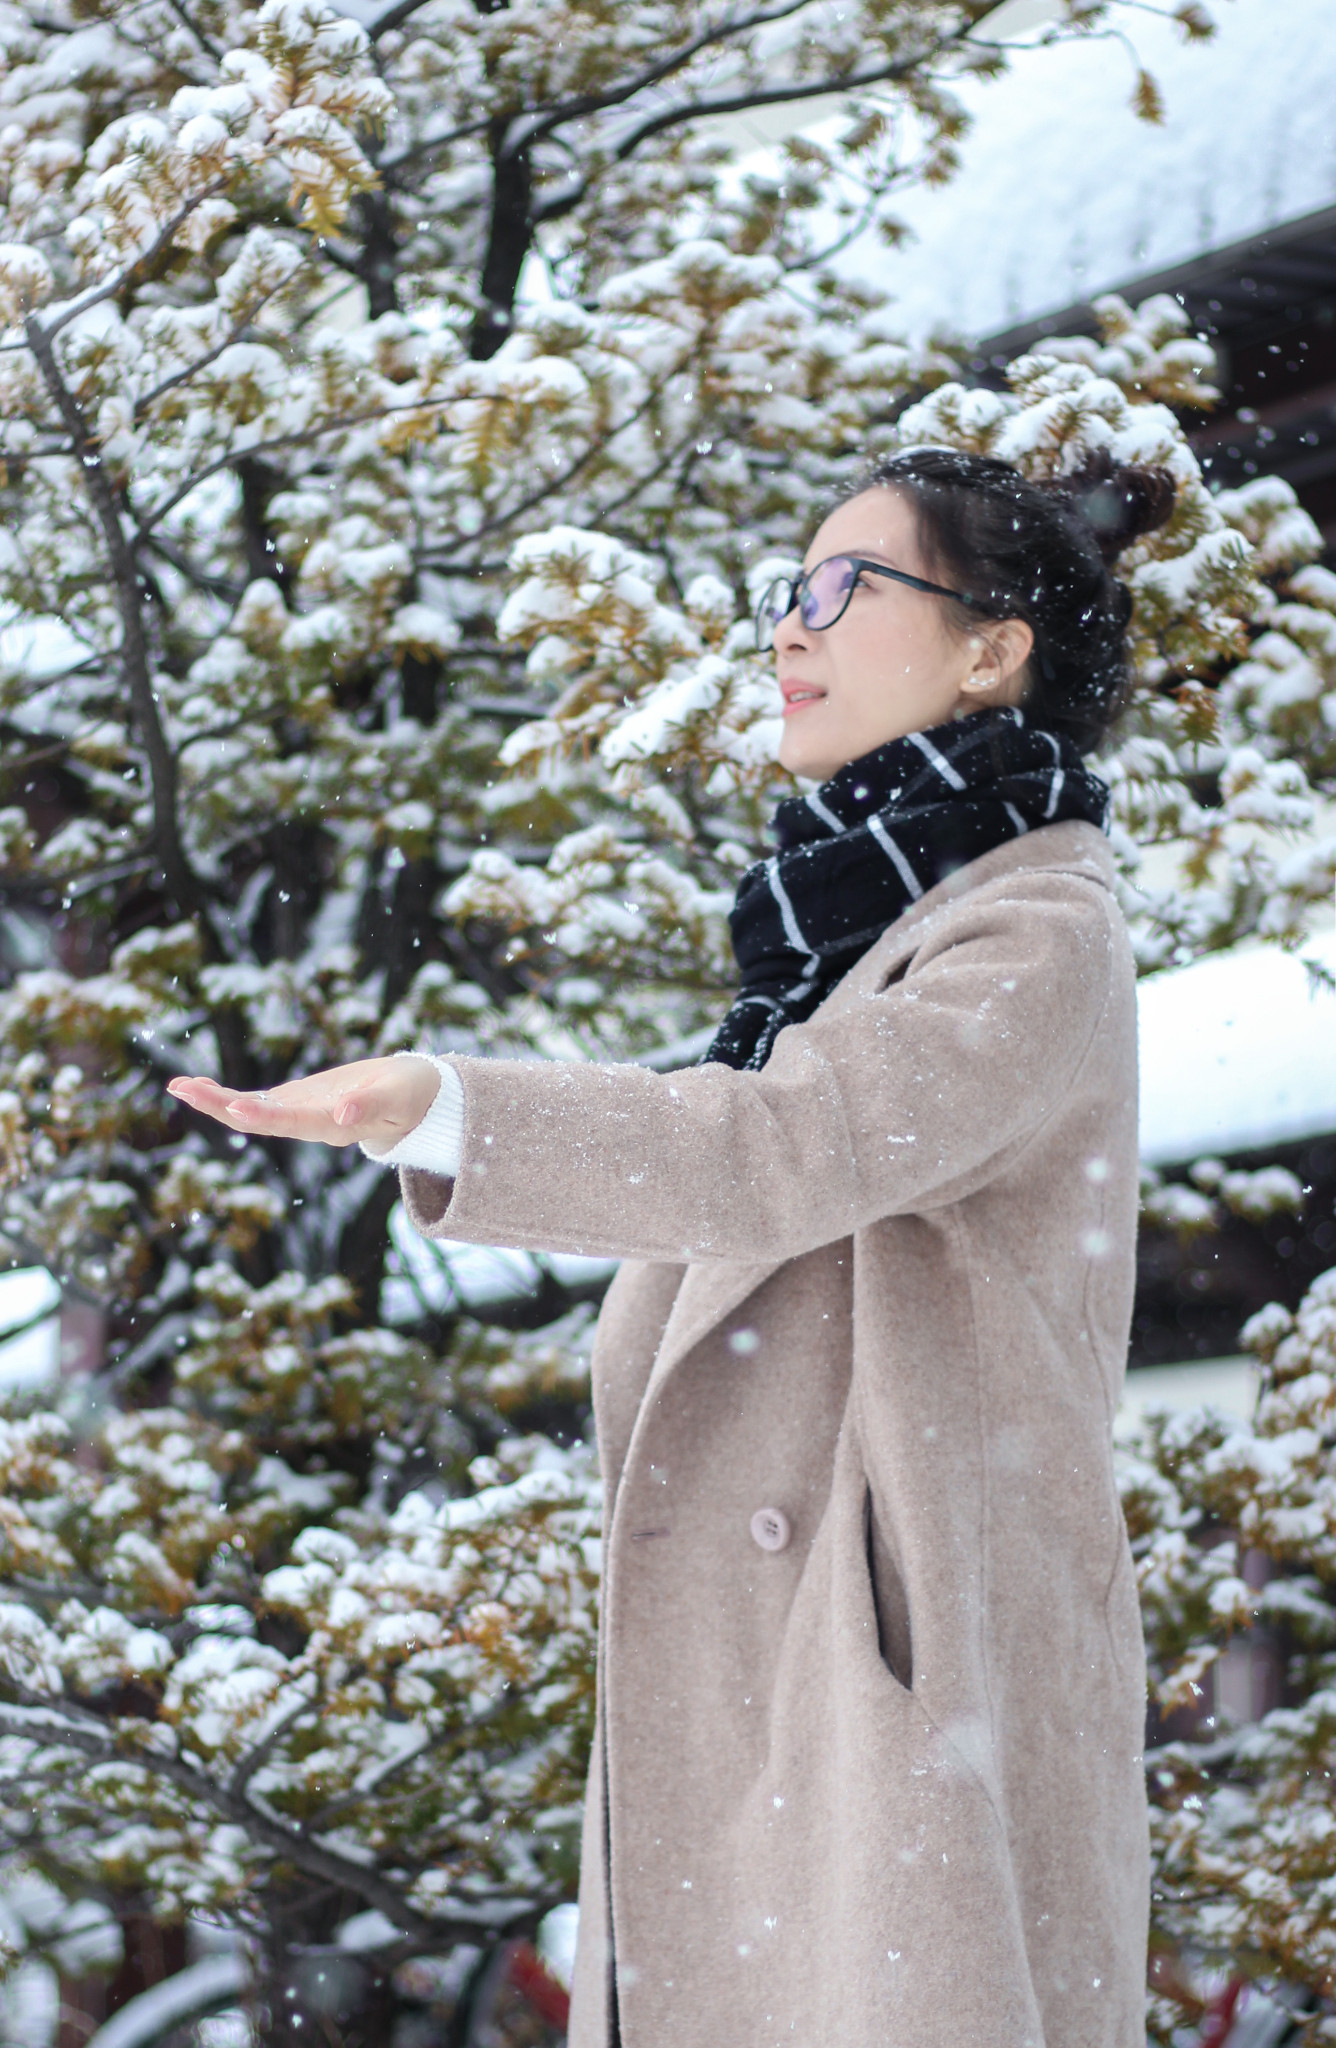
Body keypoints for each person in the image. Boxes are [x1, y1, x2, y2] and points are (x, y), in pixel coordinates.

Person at [170, 447, 1175, 2048]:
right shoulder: (841, 947)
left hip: (906, 1692)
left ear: (995, 648)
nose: (792, 628)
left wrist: (442, 1107)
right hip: (807, 1707)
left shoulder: (1032, 934)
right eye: (791, 590)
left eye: (847, 588)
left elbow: (774, 1153)